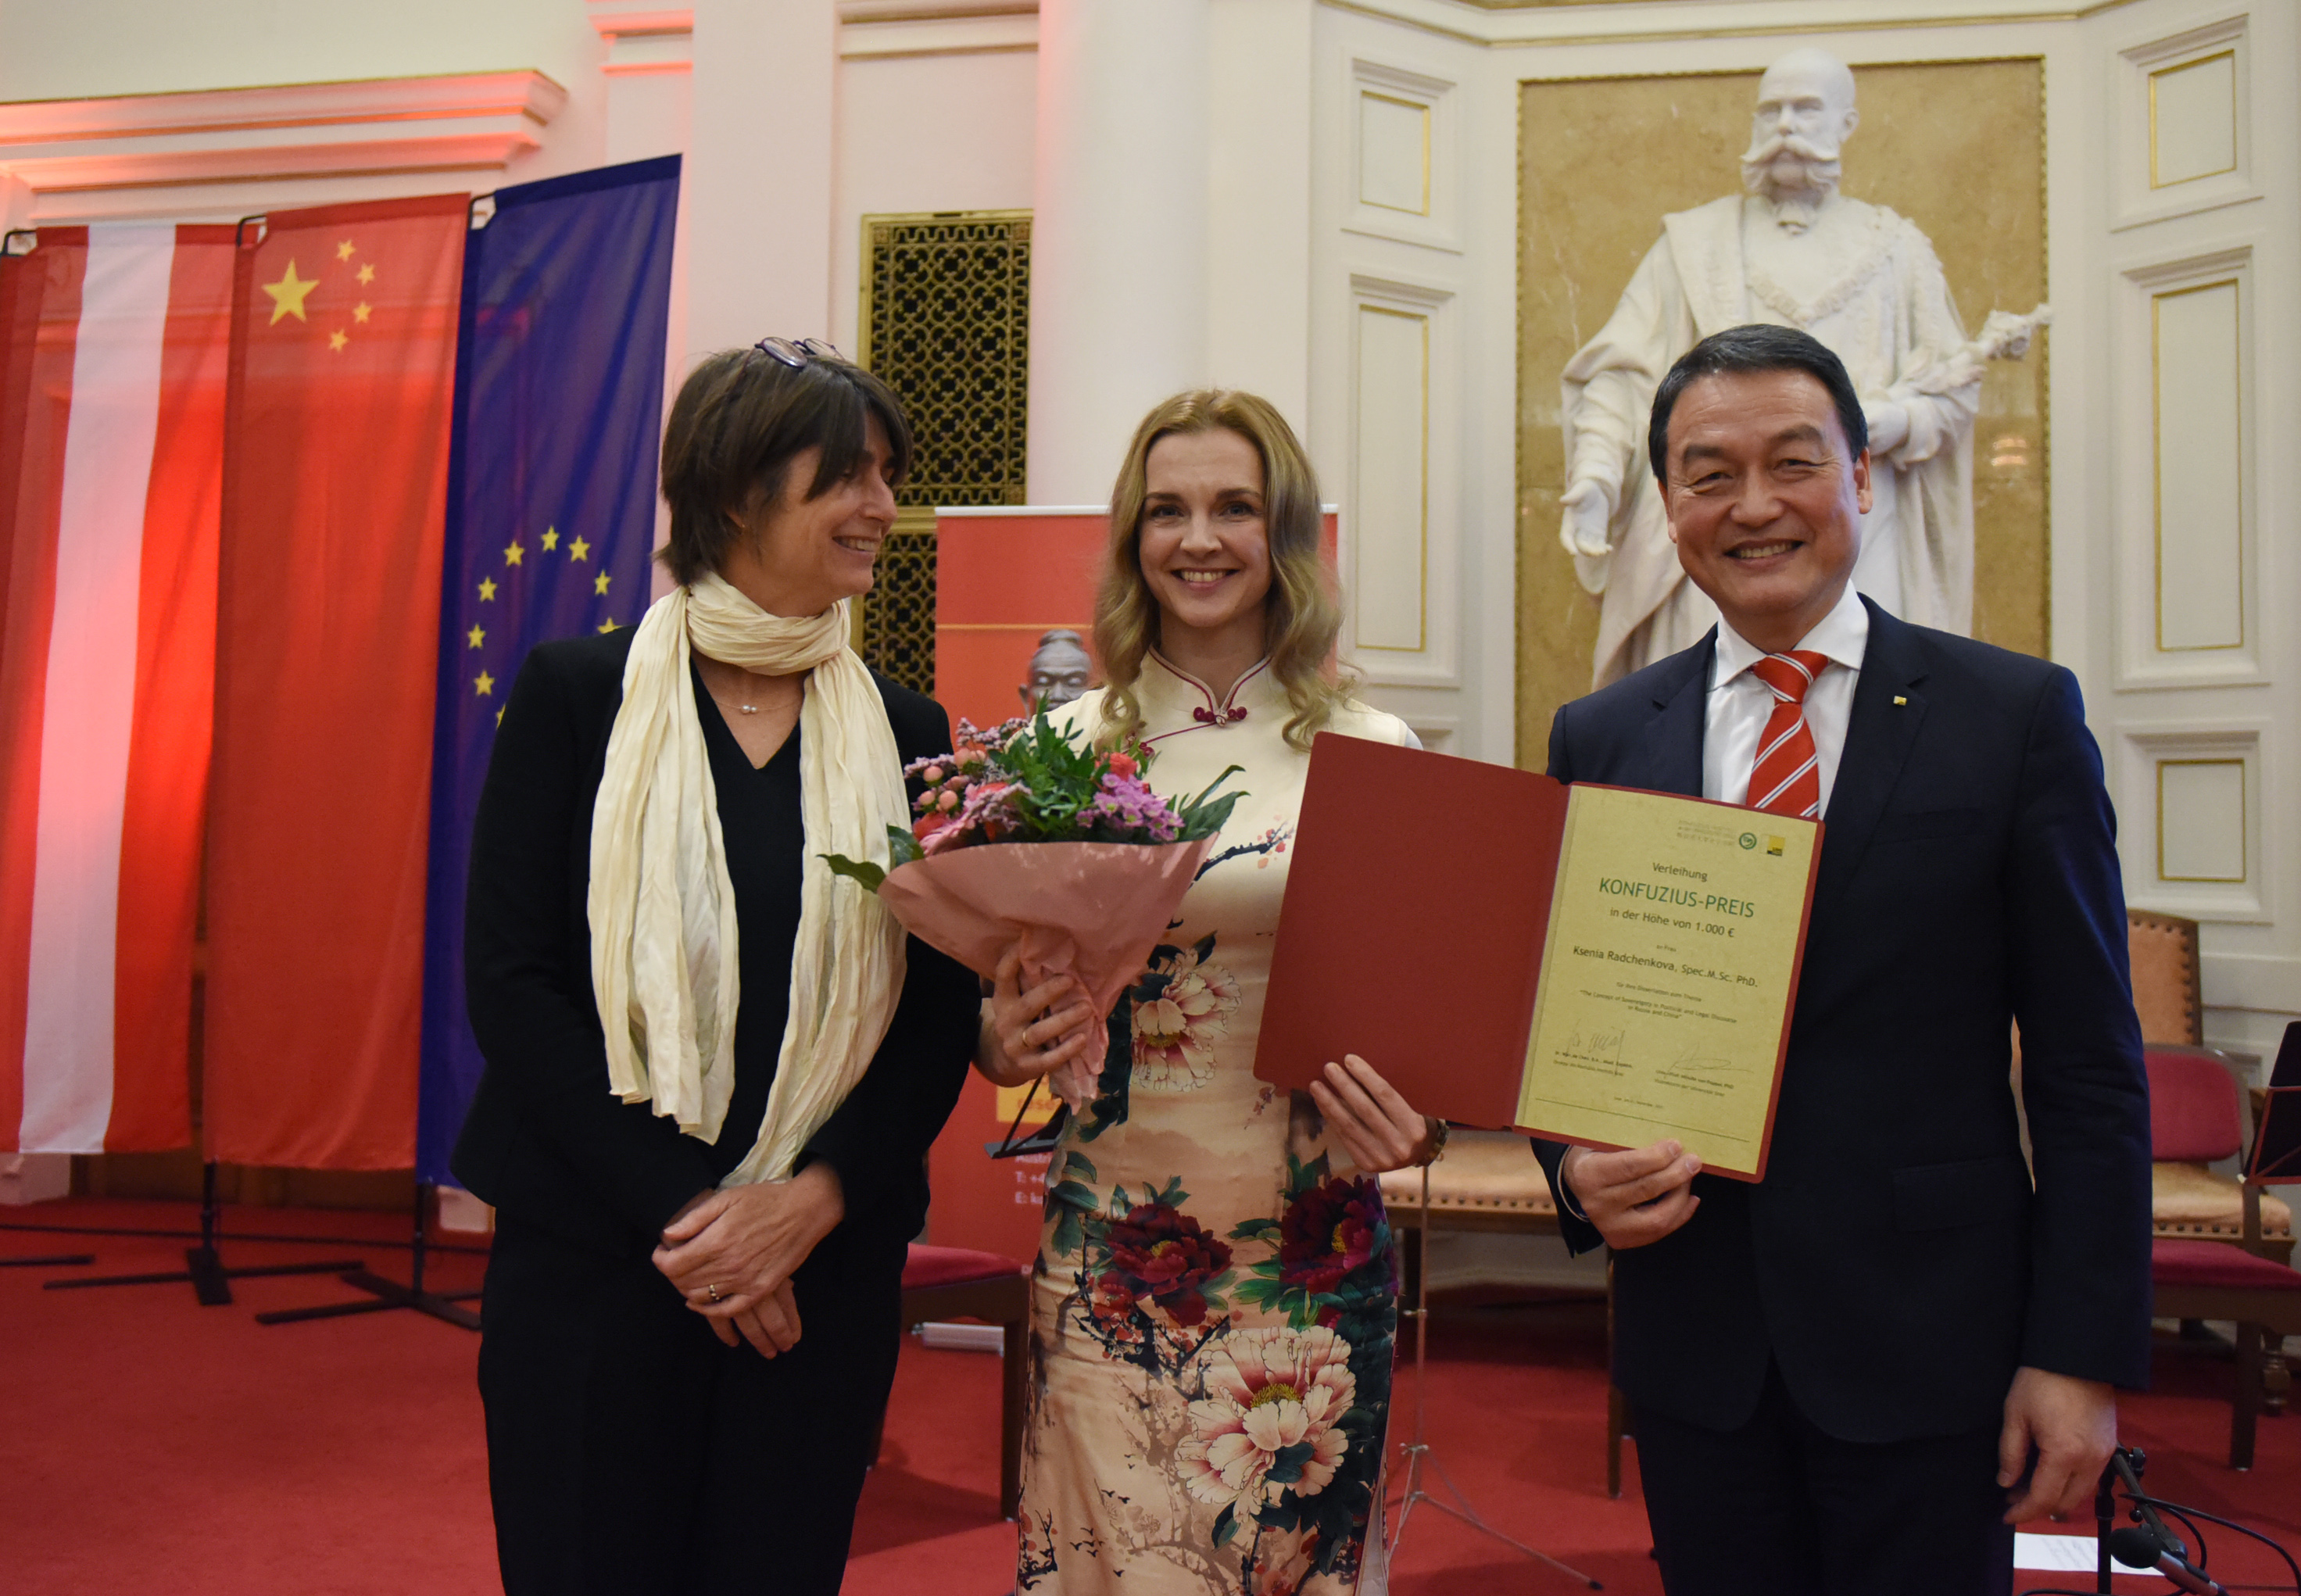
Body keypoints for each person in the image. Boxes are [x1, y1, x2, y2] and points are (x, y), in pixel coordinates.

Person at [1533, 324, 2151, 1594]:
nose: (1751, 506)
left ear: (1861, 476)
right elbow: (1559, 1026)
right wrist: (1570, 1169)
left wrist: (2076, 1353)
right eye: (1708, 474)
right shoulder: (1601, 735)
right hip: (1695, 1342)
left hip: (1930, 1345)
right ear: (1665, 503)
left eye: (1791, 462)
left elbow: (2089, 1069)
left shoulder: (2012, 718)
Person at [453, 339, 984, 1594]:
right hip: (600, 1255)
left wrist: (806, 1204)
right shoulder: (580, 694)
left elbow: (937, 1003)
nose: (882, 510)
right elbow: (513, 981)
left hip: (822, 1269)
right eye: (847, 477)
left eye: (887, 477)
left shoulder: (909, 730)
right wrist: (700, 1225)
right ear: (739, 493)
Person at [982, 390, 1444, 1594]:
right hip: (1111, 1247)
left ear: (1284, 533)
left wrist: (1423, 1114)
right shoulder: (1061, 747)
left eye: (1235, 507)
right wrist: (998, 1035)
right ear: (1133, 535)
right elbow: (998, 1009)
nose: (1200, 538)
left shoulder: (1374, 743)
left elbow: (1422, 1024)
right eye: (1168, 509)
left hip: (1315, 1247)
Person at [1558, 48, 2035, 689]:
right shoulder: (1693, 244)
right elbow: (1623, 376)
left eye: (1805, 109)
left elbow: (1948, 406)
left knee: (1876, 736)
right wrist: (1595, 478)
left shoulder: (1898, 252)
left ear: (1846, 123)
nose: (1785, 125)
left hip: (1864, 537)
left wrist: (1868, 425)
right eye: (1771, 110)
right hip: (1718, 539)